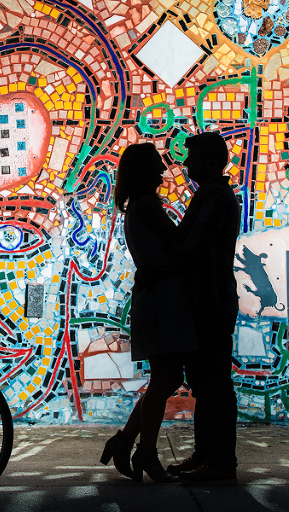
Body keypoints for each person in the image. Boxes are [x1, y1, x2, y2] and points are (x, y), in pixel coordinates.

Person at [100, 143, 198, 483]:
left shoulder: (136, 206)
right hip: (162, 298)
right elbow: (181, 241)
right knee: (165, 379)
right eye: (157, 165)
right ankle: (144, 451)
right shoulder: (147, 206)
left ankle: (127, 441)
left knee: (166, 378)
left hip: (155, 296)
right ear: (145, 171)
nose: (163, 170)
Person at [162, 131, 241, 484]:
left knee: (214, 384)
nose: (187, 165)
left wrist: (154, 268)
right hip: (210, 299)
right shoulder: (214, 194)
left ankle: (220, 461)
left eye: (193, 160)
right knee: (206, 382)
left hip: (211, 300)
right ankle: (207, 455)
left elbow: (190, 244)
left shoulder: (213, 196)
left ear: (210, 162)